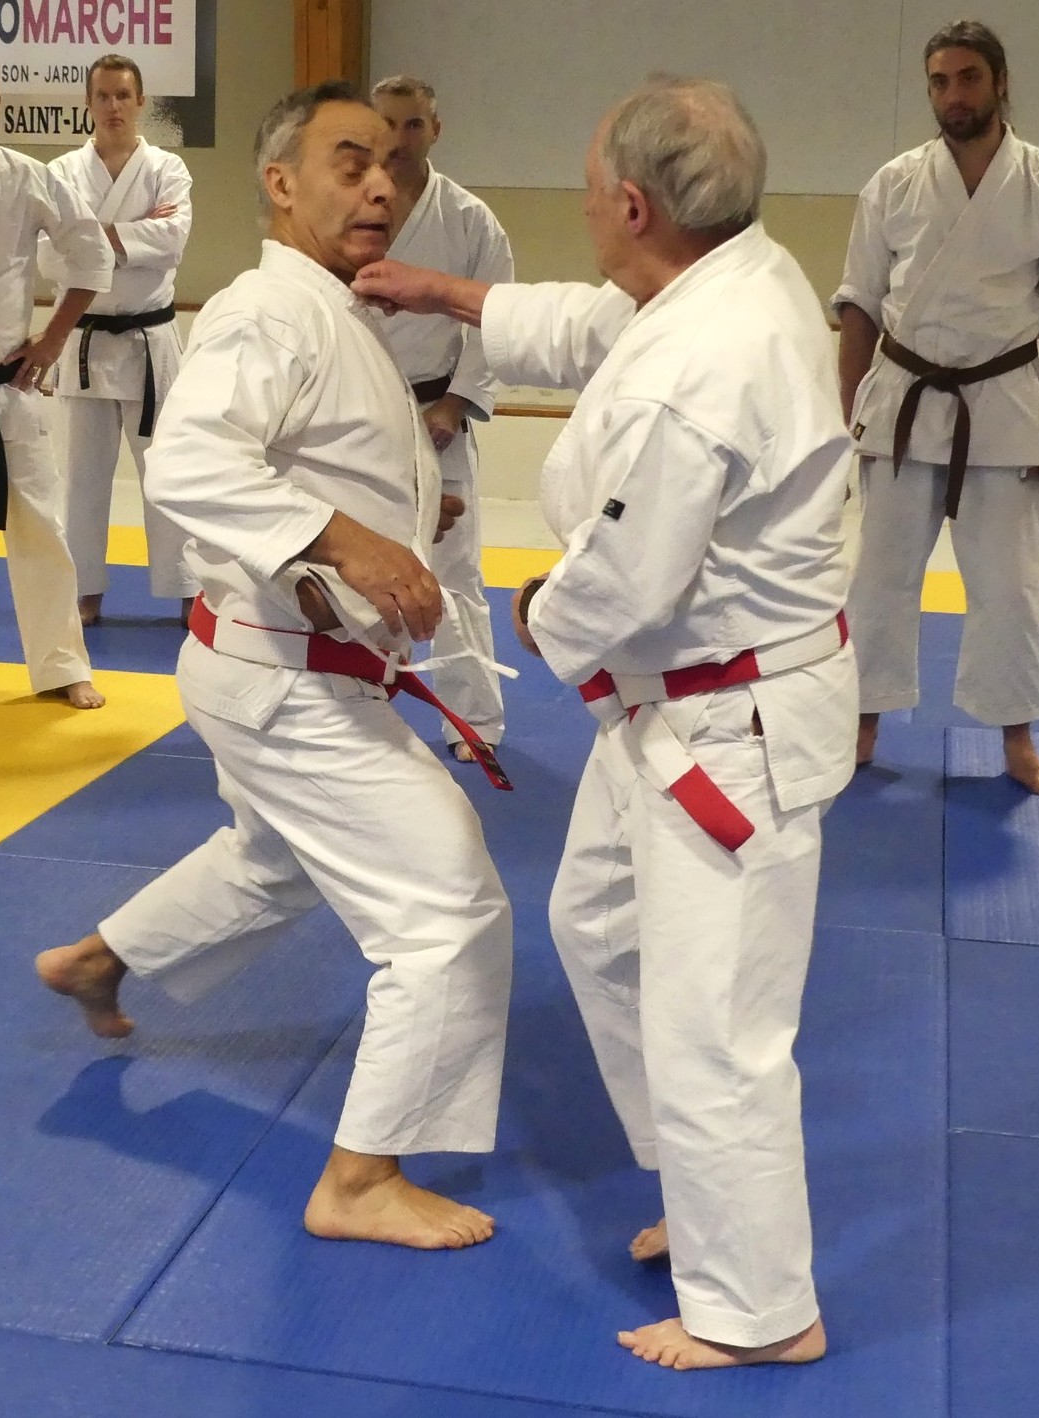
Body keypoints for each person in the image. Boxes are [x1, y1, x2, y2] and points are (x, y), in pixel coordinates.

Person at [359, 77, 857, 1369]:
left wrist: (533, 609)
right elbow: (600, 324)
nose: (583, 210)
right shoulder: (732, 274)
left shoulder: (698, 370)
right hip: (679, 709)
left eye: (589, 191)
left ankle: (761, 1311)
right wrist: (447, 293)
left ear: (632, 206)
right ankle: (707, 1188)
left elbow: (627, 581)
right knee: (599, 927)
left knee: (718, 1028)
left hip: (727, 724)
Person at [36, 82, 512, 1251]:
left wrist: (403, 507)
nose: (381, 185)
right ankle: (359, 1177)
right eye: (350, 162)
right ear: (280, 182)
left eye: (390, 164)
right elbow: (191, 463)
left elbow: (304, 454)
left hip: (271, 659)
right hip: (284, 678)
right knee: (448, 905)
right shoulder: (266, 309)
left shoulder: (328, 307)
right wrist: (350, 539)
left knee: (273, 860)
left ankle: (97, 959)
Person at [834, 19, 1039, 798]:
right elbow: (858, 305)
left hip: (1005, 404)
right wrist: (847, 417)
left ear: (1000, 82)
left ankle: (1018, 744)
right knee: (878, 581)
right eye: (940, 81)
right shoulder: (893, 183)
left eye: (968, 78)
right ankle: (860, 725)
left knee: (1011, 587)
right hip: (903, 402)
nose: (953, 95)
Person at [369, 75, 514, 762]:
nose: (398, 140)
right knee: (357, 565)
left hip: (436, 411)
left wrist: (456, 402)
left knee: (456, 574)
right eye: (386, 125)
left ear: (435, 129)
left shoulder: (469, 219)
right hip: (358, 413)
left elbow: (496, 319)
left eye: (412, 125)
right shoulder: (349, 207)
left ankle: (474, 721)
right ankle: (358, 705)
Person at [39, 53, 198, 628]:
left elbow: (172, 240)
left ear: (140, 101)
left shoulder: (167, 168)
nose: (113, 106)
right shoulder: (61, 172)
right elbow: (48, 255)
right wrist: (133, 235)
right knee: (81, 477)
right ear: (88, 102)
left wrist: (90, 238)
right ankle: (85, 591)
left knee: (168, 471)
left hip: (150, 342)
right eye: (103, 96)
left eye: (123, 95)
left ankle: (187, 590)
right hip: (83, 341)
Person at [0, 122, 114, 710]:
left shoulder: (23, 177)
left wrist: (53, 339)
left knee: (42, 528)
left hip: (8, 385)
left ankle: (63, 665)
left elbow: (92, 254)